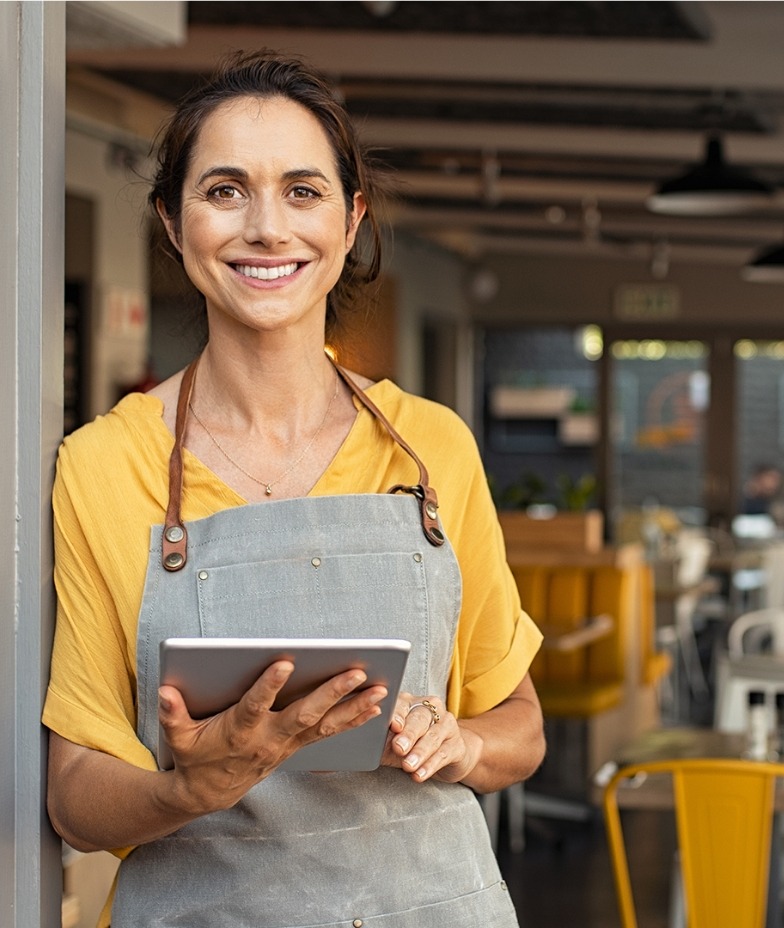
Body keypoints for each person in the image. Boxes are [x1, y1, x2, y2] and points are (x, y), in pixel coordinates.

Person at [43, 50, 545, 928]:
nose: (267, 228)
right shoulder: (101, 466)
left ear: (350, 222)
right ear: (173, 220)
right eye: (225, 190)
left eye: (303, 191)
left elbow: (520, 726)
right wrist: (189, 786)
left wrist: (460, 743)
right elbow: (76, 795)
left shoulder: (432, 451)